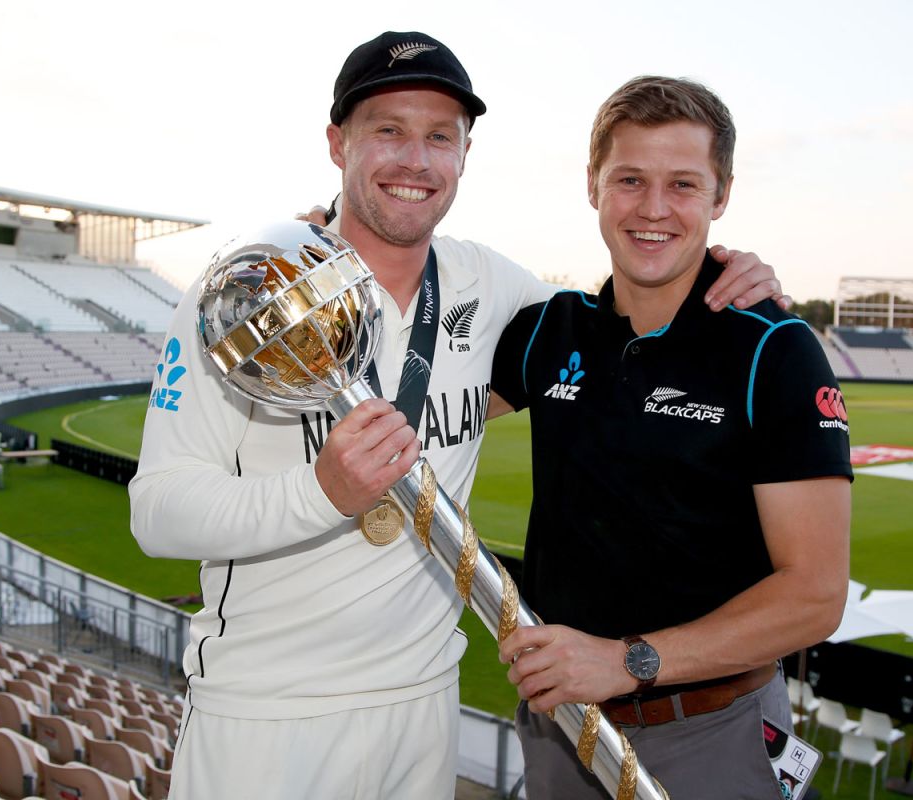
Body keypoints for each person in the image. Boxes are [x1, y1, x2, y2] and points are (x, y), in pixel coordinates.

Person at [130, 33, 786, 799]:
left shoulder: (492, 284)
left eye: (441, 137)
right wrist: (322, 491)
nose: (416, 161)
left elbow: (632, 309)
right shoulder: (250, 303)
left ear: (465, 156)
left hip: (424, 705)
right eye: (388, 131)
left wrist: (729, 266)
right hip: (267, 712)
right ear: (337, 143)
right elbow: (158, 513)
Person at [490, 76, 853, 799]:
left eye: (683, 184)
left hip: (713, 737)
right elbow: (424, 403)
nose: (654, 209)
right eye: (630, 180)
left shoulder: (773, 350)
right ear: (593, 186)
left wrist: (631, 661)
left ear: (720, 197)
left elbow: (816, 595)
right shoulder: (545, 330)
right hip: (562, 728)